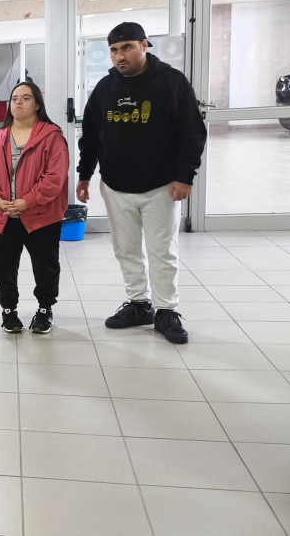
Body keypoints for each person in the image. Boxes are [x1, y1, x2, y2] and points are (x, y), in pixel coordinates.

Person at [76, 22, 207, 345]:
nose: (120, 56)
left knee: (162, 250)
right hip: (116, 185)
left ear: (145, 45)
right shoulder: (105, 88)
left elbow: (191, 131)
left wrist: (184, 176)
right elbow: (91, 136)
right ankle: (139, 303)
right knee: (126, 249)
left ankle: (166, 309)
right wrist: (84, 175)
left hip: (161, 185)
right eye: (114, 50)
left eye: (127, 48)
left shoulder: (172, 82)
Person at [0, 82, 68, 334]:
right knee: (3, 266)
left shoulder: (52, 137)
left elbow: (55, 179)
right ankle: (8, 310)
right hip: (4, 216)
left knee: (45, 266)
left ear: (38, 104)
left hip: (42, 217)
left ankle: (44, 309)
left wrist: (26, 201)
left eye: (26, 98)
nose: (18, 102)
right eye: (14, 98)